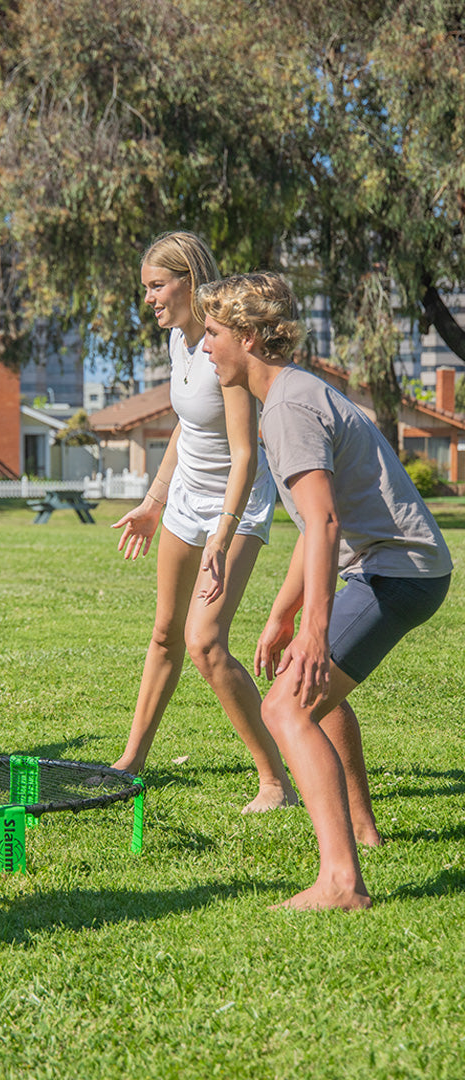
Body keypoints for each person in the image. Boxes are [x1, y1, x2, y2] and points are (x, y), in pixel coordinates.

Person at [199, 272, 453, 909]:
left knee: (284, 708)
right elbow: (320, 524)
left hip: (396, 570)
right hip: (392, 566)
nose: (205, 348)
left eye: (213, 334)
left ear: (251, 337)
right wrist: (287, 618)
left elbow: (324, 522)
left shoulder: (287, 408)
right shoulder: (291, 396)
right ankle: (362, 833)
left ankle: (341, 880)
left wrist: (314, 631)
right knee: (304, 688)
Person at [111, 232, 296, 813]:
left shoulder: (226, 350)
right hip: (187, 499)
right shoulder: (178, 342)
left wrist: (223, 531)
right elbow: (187, 431)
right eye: (146, 288)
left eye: (157, 286)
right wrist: (153, 501)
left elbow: (245, 454)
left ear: (189, 281)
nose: (150, 299)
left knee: (205, 642)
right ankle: (131, 759)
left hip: (236, 506)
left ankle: (276, 782)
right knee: (165, 632)